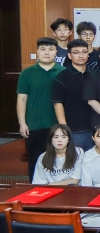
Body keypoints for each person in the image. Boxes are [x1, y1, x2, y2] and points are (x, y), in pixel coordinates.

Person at [17, 37, 65, 180]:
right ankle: (35, 187)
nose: (47, 52)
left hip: (57, 125)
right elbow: (22, 99)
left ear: (56, 52)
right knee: (35, 160)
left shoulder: (63, 72)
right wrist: (22, 123)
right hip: (34, 125)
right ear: (37, 52)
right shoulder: (27, 73)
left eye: (51, 49)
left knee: (58, 161)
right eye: (43, 49)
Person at [52, 39, 93, 151]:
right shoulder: (62, 77)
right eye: (76, 52)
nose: (81, 55)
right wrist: (64, 128)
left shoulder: (94, 75)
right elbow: (57, 103)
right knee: (73, 160)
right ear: (69, 55)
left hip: (94, 129)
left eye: (84, 52)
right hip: (73, 130)